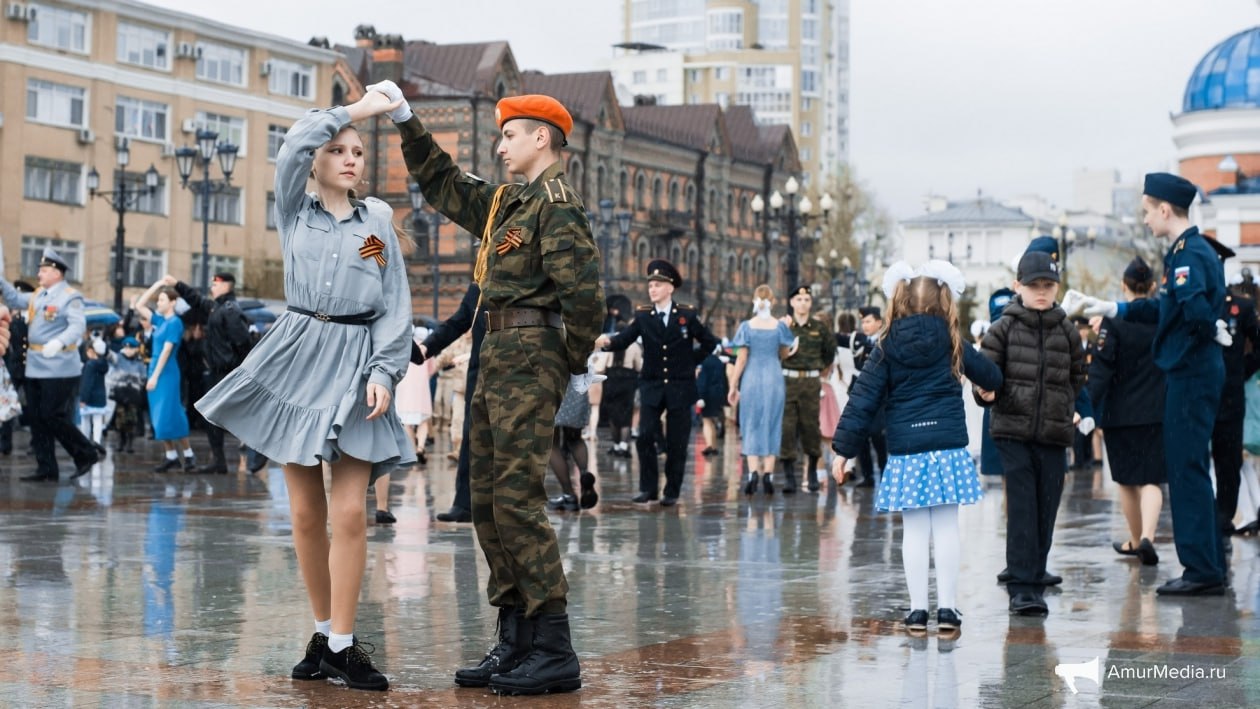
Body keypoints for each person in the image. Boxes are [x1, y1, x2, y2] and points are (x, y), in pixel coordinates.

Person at [197, 92, 414, 691]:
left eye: (358, 152)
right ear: (316, 163)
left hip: (354, 362)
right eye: (338, 150)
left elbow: (392, 303)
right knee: (302, 512)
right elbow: (292, 143)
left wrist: (383, 371)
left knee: (349, 511)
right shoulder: (294, 211)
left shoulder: (376, 224)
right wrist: (359, 109)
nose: (350, 159)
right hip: (296, 355)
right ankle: (322, 635)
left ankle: (344, 642)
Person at [391, 81, 603, 695]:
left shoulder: (556, 205)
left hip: (529, 358)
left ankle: (554, 646)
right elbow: (446, 184)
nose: (500, 145)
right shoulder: (510, 202)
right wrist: (408, 121)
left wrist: (562, 363)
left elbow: (584, 300)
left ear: (543, 137)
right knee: (486, 500)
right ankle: (515, 640)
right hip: (495, 354)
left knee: (515, 501)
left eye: (510, 135)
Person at [831, 261, 1002, 634]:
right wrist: (985, 388)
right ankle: (948, 611)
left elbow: (863, 399)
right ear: (944, 300)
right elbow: (991, 376)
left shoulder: (886, 345)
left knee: (913, 532)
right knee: (946, 530)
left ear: (901, 300)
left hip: (907, 449)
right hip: (947, 447)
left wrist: (843, 450)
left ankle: (916, 612)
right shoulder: (952, 339)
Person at [1082, 173, 1230, 597]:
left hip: (1190, 373)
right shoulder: (1187, 252)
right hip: (1193, 371)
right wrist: (1116, 307)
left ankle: (1201, 569)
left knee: (1185, 469)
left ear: (1165, 209)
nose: (1146, 220)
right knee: (1189, 468)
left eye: (1147, 211)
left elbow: (1194, 308)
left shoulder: (1187, 255)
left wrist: (1209, 327)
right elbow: (1167, 310)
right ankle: (1206, 564)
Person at [981, 250, 1086, 616]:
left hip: (1054, 433)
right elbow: (986, 375)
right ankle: (1023, 588)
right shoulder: (1003, 329)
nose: (1041, 292)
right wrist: (986, 394)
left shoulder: (1068, 331)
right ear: (1018, 286)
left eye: (1048, 285)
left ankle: (1036, 571)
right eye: (1033, 285)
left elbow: (1076, 377)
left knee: (1047, 505)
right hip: (1013, 429)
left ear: (1057, 287)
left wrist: (1066, 407)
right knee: (1024, 505)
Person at [596, 259, 720, 506]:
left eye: (657, 285)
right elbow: (623, 339)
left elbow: (710, 342)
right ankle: (648, 488)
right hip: (652, 385)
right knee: (644, 437)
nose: (652, 289)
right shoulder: (643, 316)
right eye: (650, 285)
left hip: (679, 387)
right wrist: (602, 342)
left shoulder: (686, 315)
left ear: (670, 288)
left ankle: (671, 490)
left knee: (677, 441)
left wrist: (689, 361)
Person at [1088, 257, 1166, 566]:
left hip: (1120, 414)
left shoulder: (1113, 321)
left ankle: (1135, 541)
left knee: (1127, 481)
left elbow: (1102, 369)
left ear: (1123, 286)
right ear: (1153, 287)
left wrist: (1088, 407)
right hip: (1158, 410)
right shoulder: (1163, 318)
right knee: (1152, 480)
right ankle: (1147, 537)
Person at [0, 248, 100, 481]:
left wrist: (59, 341)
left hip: (60, 367)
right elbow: (14, 299)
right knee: (37, 418)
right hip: (35, 366)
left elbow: (77, 326)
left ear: (57, 273)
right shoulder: (38, 296)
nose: (40, 274)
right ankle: (46, 468)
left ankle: (86, 453)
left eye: (44, 270)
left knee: (52, 415)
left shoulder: (70, 296)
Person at [165, 271, 253, 474]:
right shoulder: (217, 307)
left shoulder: (230, 310)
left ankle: (257, 453)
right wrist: (178, 284)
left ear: (225, 286)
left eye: (216, 284)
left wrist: (239, 370)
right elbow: (196, 301)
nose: (212, 287)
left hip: (228, 373)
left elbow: (243, 344)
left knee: (238, 415)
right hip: (215, 372)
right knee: (211, 416)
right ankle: (219, 462)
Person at [416, 282, 482, 524]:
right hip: (479, 369)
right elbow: (460, 319)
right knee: (470, 434)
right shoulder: (482, 277)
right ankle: (464, 503)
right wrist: (426, 348)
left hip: (517, 368)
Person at [728, 285, 796, 495]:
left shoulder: (746, 327)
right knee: (772, 423)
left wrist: (733, 385)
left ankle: (752, 473)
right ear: (773, 302)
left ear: (754, 300)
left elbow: (741, 358)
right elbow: (784, 354)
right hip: (774, 378)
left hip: (752, 378)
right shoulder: (780, 327)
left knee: (750, 424)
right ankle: (768, 474)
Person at [132, 282, 195, 473]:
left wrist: (155, 377)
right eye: (158, 300)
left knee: (171, 413)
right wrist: (158, 285)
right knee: (159, 416)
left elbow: (167, 351)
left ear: (173, 302)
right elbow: (139, 306)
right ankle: (171, 456)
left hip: (165, 373)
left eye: (162, 299)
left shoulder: (175, 323)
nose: (158, 302)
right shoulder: (160, 321)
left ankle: (189, 455)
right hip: (155, 370)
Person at [779, 285, 836, 493]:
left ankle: (812, 471)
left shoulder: (819, 328)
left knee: (811, 427)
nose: (803, 303)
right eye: (799, 299)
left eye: (806, 299)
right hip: (788, 381)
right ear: (792, 302)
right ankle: (788, 476)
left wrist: (819, 368)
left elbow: (830, 351)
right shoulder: (784, 326)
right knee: (787, 428)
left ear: (810, 303)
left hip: (811, 382)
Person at [838, 306, 888, 487]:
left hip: (879, 397)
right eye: (863, 322)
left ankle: (885, 475)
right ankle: (868, 476)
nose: (864, 325)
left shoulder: (885, 341)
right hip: (859, 394)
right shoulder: (857, 340)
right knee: (861, 437)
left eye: (868, 321)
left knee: (878, 437)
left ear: (879, 322)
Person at [547, 376, 598, 512]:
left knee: (551, 445)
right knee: (575, 438)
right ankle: (584, 474)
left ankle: (569, 494)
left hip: (550, 385)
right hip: (576, 385)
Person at [105, 337, 147, 453]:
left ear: (136, 349)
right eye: (126, 348)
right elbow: (108, 355)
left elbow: (143, 377)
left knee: (131, 419)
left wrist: (136, 384)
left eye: (131, 348)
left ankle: (130, 443)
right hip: (120, 394)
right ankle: (121, 441)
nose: (128, 350)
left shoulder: (139, 362)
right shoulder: (118, 358)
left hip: (133, 394)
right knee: (120, 420)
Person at [695, 349, 727, 457]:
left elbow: (702, 381)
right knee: (712, 421)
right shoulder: (719, 362)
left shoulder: (704, 362)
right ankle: (713, 446)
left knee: (706, 421)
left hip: (707, 395)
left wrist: (699, 396)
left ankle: (709, 445)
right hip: (718, 394)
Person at [78, 338, 110, 446]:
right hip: (100, 395)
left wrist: (83, 398)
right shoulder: (103, 363)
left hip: (89, 396)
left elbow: (87, 382)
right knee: (97, 420)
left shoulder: (90, 365)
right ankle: (97, 441)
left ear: (91, 351)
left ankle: (85, 441)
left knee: (85, 420)